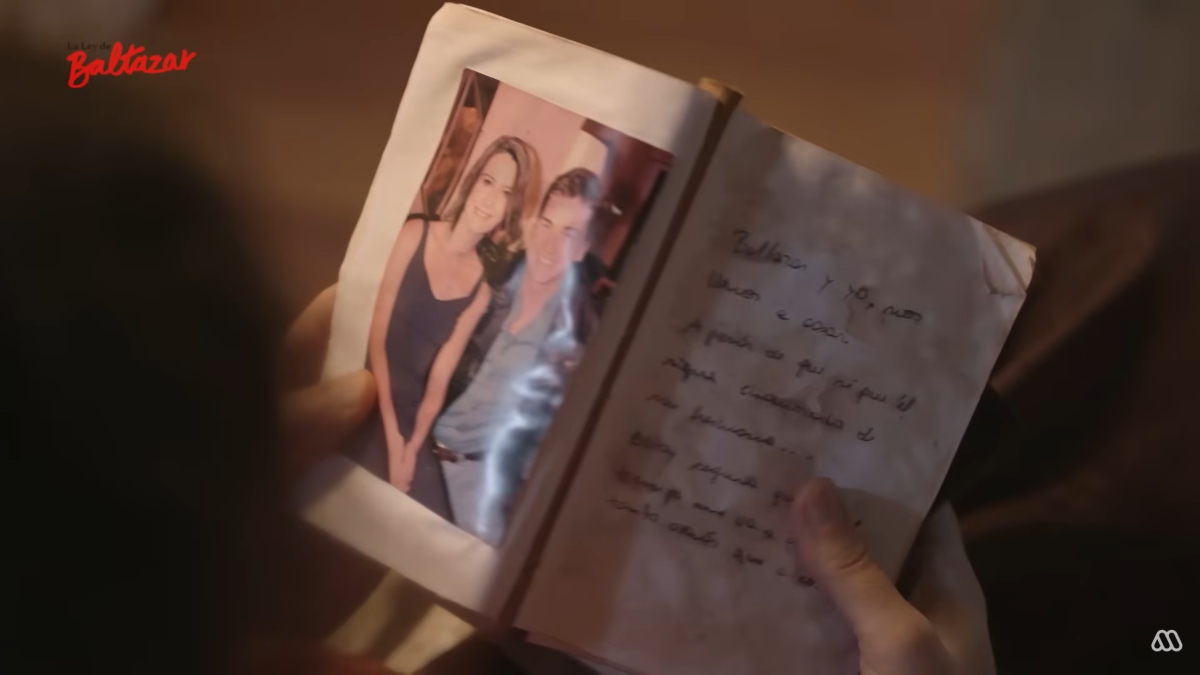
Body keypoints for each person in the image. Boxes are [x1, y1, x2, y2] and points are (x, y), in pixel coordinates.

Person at [428, 167, 602, 545]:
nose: (548, 246)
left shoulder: (581, 336)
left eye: (568, 234)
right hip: (420, 451)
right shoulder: (487, 277)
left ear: (583, 248)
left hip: (476, 490)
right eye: (546, 224)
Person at [367, 136, 540, 494]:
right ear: (472, 181)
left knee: (426, 501)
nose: (490, 200)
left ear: (510, 209)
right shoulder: (413, 235)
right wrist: (394, 440)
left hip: (411, 416)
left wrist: (413, 447)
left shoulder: (480, 291)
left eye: (506, 193)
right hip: (369, 389)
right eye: (487, 182)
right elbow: (375, 338)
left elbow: (438, 384)